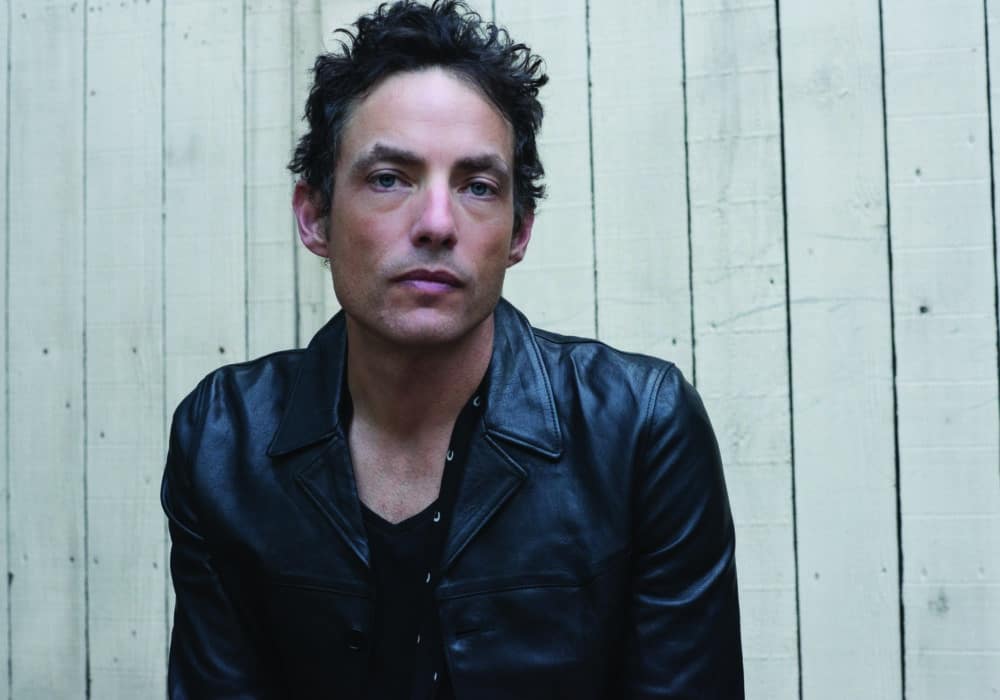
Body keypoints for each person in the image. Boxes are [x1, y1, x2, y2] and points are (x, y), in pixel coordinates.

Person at [160, 1, 744, 697]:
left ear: (518, 232)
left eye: (477, 186)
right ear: (314, 216)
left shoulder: (640, 430)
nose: (437, 223)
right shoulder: (223, 438)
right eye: (389, 178)